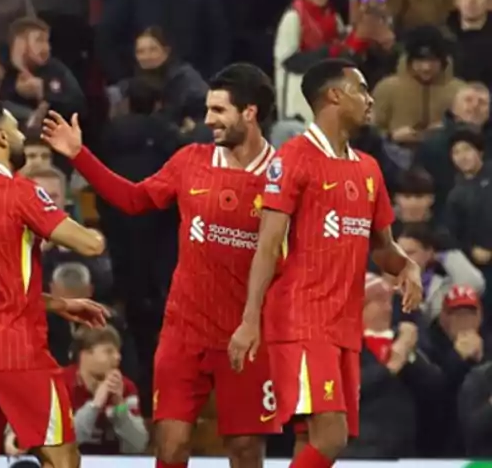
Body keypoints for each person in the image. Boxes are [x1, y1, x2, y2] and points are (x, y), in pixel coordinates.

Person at [43, 63, 282, 468]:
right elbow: (135, 200)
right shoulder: (191, 160)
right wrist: (79, 156)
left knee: (245, 451)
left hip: (248, 334)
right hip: (184, 332)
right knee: (170, 448)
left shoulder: (284, 175)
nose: (208, 120)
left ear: (250, 112)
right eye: (208, 109)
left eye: (219, 111)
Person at [229, 58, 424, 468]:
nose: (371, 100)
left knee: (313, 441)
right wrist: (250, 319)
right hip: (301, 319)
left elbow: (383, 247)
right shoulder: (293, 157)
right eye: (362, 90)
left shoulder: (369, 168)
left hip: (344, 325)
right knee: (332, 438)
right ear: (334, 95)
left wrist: (407, 266)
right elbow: (267, 244)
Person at [0, 100, 111, 468]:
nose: (20, 137)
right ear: (1, 136)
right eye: (16, 129)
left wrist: (62, 304)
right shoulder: (19, 192)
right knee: (62, 458)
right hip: (15, 347)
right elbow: (90, 245)